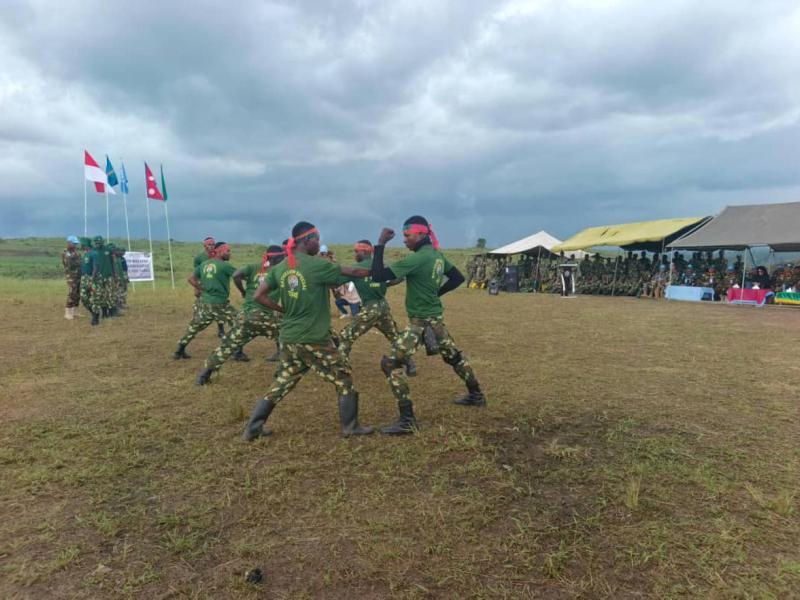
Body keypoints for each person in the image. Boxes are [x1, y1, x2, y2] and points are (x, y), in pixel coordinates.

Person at [242, 222, 373, 441]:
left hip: (289, 337)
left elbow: (258, 296)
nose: (319, 243)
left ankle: (252, 428)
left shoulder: (281, 267)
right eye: (317, 239)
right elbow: (355, 272)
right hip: (313, 338)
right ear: (307, 240)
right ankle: (350, 426)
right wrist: (378, 264)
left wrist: (282, 308)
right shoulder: (316, 265)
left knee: (282, 381)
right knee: (344, 376)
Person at [370, 216, 485, 435]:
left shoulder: (418, 259)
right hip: (435, 321)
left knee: (391, 364)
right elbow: (457, 277)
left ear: (421, 234)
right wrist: (436, 293)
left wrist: (380, 243)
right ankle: (476, 394)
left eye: (407, 236)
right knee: (454, 357)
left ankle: (407, 420)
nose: (404, 240)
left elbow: (378, 275)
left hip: (420, 324)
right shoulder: (437, 256)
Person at [196, 245, 285, 385]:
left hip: (246, 316)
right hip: (265, 317)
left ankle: (204, 375)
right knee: (286, 337)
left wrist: (243, 290)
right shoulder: (280, 271)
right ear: (280, 258)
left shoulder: (253, 266)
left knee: (228, 346)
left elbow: (236, 275)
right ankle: (281, 373)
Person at [338, 240, 416, 376]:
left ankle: (340, 370)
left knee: (346, 337)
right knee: (395, 337)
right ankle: (410, 364)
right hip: (383, 306)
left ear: (364, 251)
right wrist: (382, 285)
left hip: (369, 308)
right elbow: (396, 279)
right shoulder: (382, 266)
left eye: (356, 251)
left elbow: (336, 282)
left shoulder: (356, 268)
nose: (355, 254)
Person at [173, 242, 238, 359]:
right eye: (228, 251)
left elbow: (190, 279)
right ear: (220, 251)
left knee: (195, 326)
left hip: (205, 302)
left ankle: (179, 350)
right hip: (219, 303)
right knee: (238, 322)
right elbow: (239, 275)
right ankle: (237, 352)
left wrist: (202, 289)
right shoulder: (225, 266)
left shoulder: (204, 264)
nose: (230, 253)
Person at [193, 237, 226, 339]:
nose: (212, 246)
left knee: (219, 307)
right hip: (204, 285)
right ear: (205, 246)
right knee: (199, 307)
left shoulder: (217, 255)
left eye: (213, 244)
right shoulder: (199, 258)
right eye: (209, 244)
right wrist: (197, 288)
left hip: (216, 286)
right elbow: (196, 275)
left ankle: (221, 329)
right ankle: (194, 327)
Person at [88, 236, 116, 322]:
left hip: (108, 275)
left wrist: (114, 274)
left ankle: (111, 313)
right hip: (99, 277)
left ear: (102, 242)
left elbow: (113, 262)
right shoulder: (92, 252)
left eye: (100, 243)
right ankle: (104, 313)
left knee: (110, 294)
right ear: (94, 243)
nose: (98, 244)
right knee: (101, 296)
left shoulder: (108, 250)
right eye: (96, 243)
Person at [62, 235, 82, 320]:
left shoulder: (75, 252)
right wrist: (78, 261)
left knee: (77, 293)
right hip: (71, 276)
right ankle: (67, 312)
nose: (75, 245)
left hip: (78, 275)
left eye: (76, 244)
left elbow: (79, 262)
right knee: (72, 293)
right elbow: (69, 263)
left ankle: (75, 312)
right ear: (69, 243)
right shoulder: (65, 252)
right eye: (74, 243)